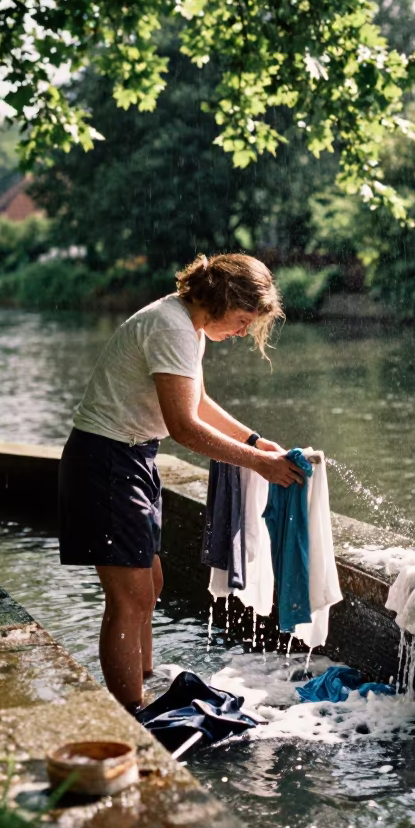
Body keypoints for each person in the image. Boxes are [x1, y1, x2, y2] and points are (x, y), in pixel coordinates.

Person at [58, 252, 302, 712]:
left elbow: (199, 399)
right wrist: (257, 462)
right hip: (106, 460)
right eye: (243, 319)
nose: (244, 331)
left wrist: (253, 440)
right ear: (224, 298)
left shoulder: (187, 325)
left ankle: (142, 688)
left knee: (148, 586)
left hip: (132, 455)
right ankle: (132, 718)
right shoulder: (171, 327)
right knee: (129, 599)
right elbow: (185, 427)